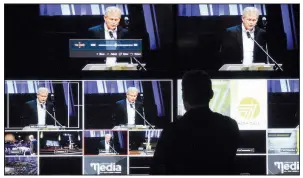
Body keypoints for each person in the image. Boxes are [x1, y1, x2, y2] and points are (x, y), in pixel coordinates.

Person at [150, 70, 240, 175]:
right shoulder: (230, 125)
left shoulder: (171, 131)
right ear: (211, 94)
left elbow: (155, 171)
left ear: (184, 96)